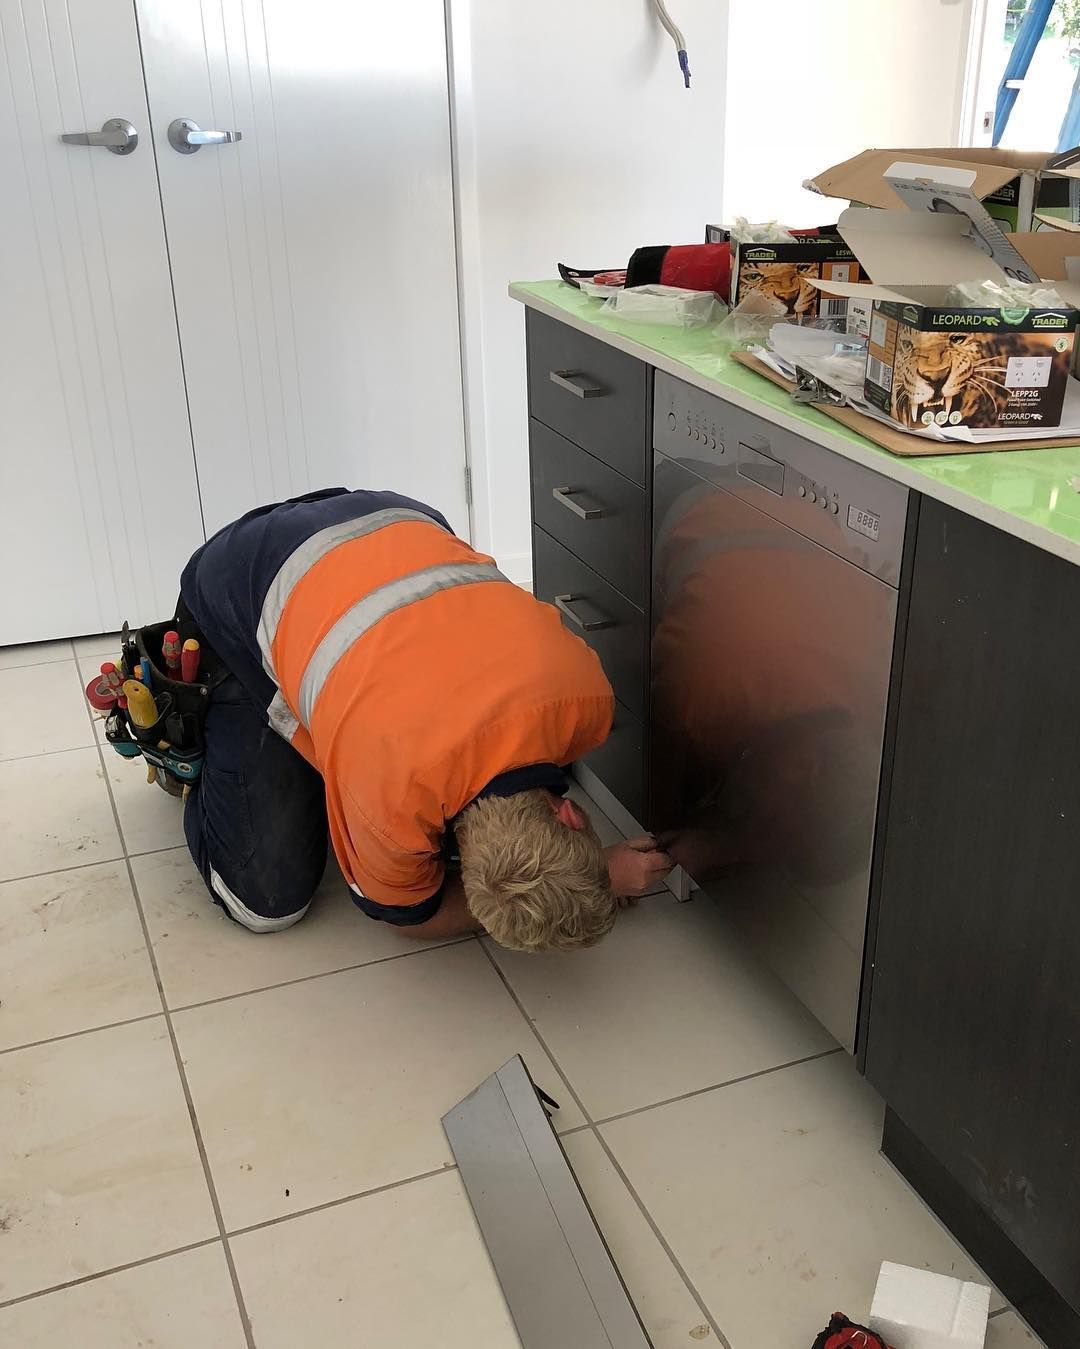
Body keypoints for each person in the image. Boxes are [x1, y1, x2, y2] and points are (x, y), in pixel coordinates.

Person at [176, 487, 672, 950]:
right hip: (236, 581)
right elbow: (410, 918)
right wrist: (590, 879)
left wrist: (578, 879)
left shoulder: (588, 702)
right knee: (264, 903)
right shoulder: (390, 806)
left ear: (568, 816)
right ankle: (178, 728)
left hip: (393, 517)